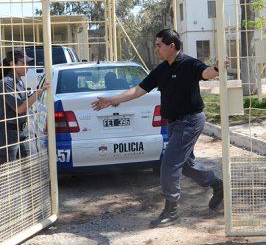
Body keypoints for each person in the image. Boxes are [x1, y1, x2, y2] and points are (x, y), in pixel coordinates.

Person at [91, 29, 225, 228]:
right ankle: (217, 184)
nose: (157, 49)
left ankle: (171, 211)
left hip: (189, 121)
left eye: (159, 45)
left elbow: (205, 73)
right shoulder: (162, 69)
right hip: (173, 123)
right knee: (186, 164)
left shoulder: (189, 63)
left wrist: (217, 68)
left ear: (172, 46)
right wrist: (111, 100)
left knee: (169, 165)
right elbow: (138, 90)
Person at [0, 49, 49, 199]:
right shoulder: (5, 84)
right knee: (3, 174)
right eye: (24, 63)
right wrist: (39, 91)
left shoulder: (20, 81)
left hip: (22, 132)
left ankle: (33, 208)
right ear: (12, 64)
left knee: (29, 170)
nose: (27, 67)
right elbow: (20, 108)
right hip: (7, 134)